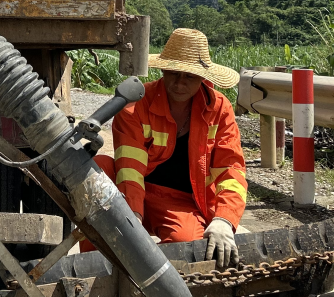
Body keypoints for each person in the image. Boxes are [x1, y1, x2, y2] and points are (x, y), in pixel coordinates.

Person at [93, 28, 248, 268]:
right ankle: (97, 268)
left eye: (189, 76)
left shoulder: (219, 109)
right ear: (163, 70)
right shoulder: (136, 106)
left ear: (203, 78)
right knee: (97, 170)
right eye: (173, 73)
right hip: (133, 193)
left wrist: (224, 220)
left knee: (187, 244)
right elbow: (130, 169)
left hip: (181, 201)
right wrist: (131, 219)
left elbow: (232, 170)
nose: (179, 83)